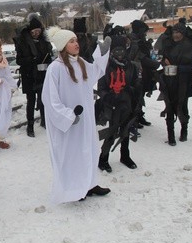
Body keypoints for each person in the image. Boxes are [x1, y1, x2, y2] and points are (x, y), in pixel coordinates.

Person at [41, 27, 111, 203]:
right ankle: (74, 188)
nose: (76, 43)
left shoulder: (80, 63)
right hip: (70, 124)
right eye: (71, 41)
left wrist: (102, 54)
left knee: (89, 149)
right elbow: (50, 99)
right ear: (63, 46)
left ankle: (90, 183)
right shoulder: (55, 69)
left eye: (75, 40)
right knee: (72, 155)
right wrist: (68, 116)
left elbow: (96, 71)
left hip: (85, 120)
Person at [96, 36, 141, 173]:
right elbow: (101, 89)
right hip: (112, 105)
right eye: (116, 50)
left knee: (126, 130)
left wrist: (133, 94)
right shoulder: (106, 67)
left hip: (127, 103)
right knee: (111, 132)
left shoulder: (131, 66)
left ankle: (125, 156)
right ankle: (103, 159)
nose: (120, 53)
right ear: (111, 52)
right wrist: (108, 97)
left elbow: (136, 84)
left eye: (122, 50)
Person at [158, 22, 192, 146]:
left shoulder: (190, 46)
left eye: (178, 32)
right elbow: (162, 59)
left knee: (182, 107)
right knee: (169, 107)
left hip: (183, 82)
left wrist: (176, 68)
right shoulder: (168, 45)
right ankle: (170, 136)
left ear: (183, 33)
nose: (175, 35)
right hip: (168, 82)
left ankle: (184, 132)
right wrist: (164, 63)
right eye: (174, 32)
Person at [15, 13, 53, 137]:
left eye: (38, 31)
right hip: (28, 75)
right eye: (34, 31)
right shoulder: (23, 42)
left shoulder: (44, 42)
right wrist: (33, 60)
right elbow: (19, 61)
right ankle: (30, 126)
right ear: (30, 31)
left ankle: (44, 120)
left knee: (43, 100)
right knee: (30, 101)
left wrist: (48, 61)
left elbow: (49, 56)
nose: (37, 33)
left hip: (42, 74)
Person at [129, 20, 161, 127]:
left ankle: (139, 116)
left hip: (143, 74)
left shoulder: (140, 41)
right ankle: (133, 119)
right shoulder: (133, 42)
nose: (145, 34)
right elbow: (141, 58)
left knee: (140, 97)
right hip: (135, 74)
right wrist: (155, 64)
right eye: (144, 32)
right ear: (140, 31)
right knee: (136, 98)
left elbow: (148, 55)